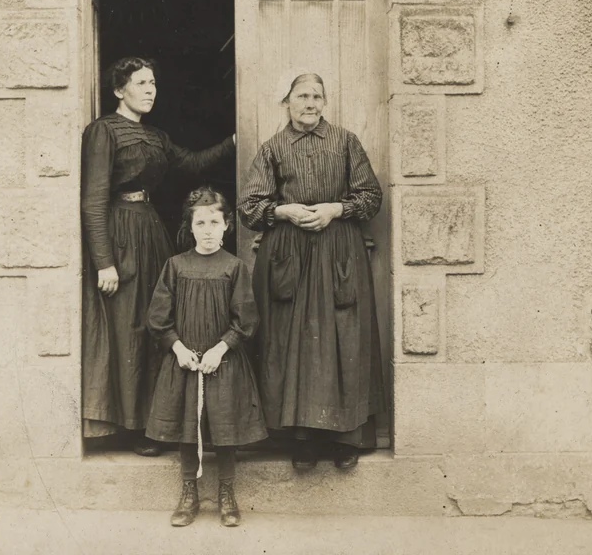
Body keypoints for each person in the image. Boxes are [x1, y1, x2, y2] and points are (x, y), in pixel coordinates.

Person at [81, 57, 235, 454]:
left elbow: (193, 164)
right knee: (129, 327)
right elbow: (93, 200)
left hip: (150, 232)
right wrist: (103, 261)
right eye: (141, 83)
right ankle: (131, 427)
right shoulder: (103, 131)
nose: (150, 90)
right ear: (120, 90)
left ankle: (157, 423)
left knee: (160, 322)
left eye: (153, 83)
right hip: (120, 235)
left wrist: (234, 142)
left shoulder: (156, 137)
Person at [238, 72, 384, 470]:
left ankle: (346, 438)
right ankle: (301, 441)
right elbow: (250, 208)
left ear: (325, 102)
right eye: (302, 95)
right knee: (292, 345)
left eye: (317, 96)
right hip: (289, 256)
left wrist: (335, 209)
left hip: (339, 252)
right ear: (286, 102)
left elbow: (371, 196)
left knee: (344, 340)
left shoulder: (346, 142)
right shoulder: (273, 148)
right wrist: (283, 211)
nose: (310, 103)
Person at [145, 187, 267, 527]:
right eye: (201, 223)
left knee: (224, 429)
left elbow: (246, 320)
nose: (209, 230)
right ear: (191, 226)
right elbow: (158, 318)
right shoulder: (176, 266)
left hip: (222, 362)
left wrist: (221, 347)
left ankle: (227, 494)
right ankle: (189, 494)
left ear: (227, 225)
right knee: (189, 429)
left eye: (215, 222)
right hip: (185, 362)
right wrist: (178, 348)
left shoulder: (235, 267)